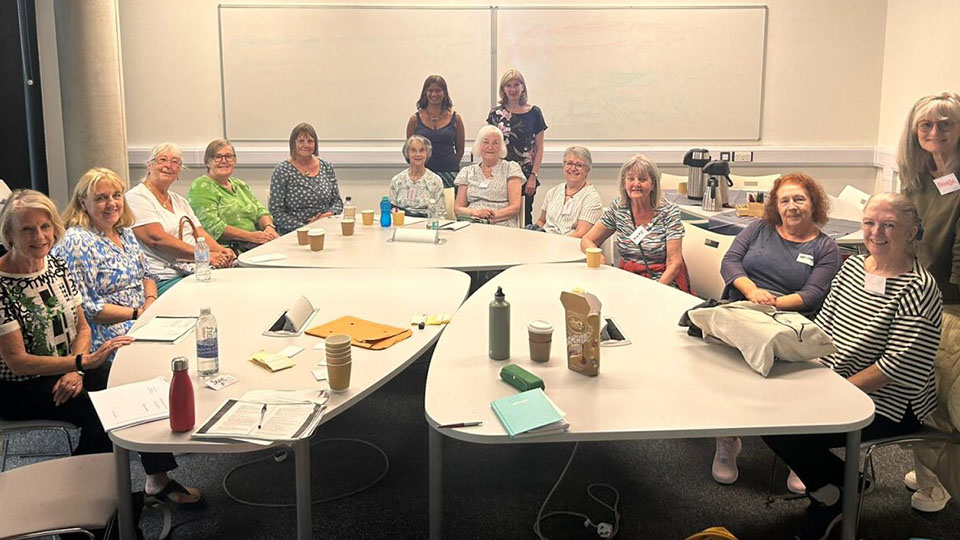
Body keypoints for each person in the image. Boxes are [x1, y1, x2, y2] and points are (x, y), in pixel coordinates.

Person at [0, 190, 202, 505]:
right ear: (9, 234)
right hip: (20, 386)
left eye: (45, 226)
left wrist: (77, 367)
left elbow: (82, 326)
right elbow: (18, 362)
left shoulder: (52, 264)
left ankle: (155, 480)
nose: (39, 236)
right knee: (103, 414)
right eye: (27, 229)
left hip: (70, 365)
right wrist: (80, 363)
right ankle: (83, 503)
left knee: (133, 385)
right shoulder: (2, 285)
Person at [763, 193, 942, 540]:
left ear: (912, 233)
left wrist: (827, 391)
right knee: (762, 406)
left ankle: (833, 495)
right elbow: (823, 328)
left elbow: (892, 369)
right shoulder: (852, 268)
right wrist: (799, 367)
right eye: (869, 223)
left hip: (889, 402)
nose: (876, 232)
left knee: (786, 423)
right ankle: (839, 487)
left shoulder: (919, 288)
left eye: (889, 225)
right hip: (834, 379)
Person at [711, 173, 842, 489]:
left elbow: (814, 293)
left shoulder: (826, 248)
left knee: (790, 383)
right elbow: (730, 262)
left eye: (799, 199)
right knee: (728, 371)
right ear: (775, 206)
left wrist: (773, 304)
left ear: (814, 204)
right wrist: (752, 292)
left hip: (790, 321)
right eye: (785, 200)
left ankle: (798, 453)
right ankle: (727, 439)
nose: (792, 207)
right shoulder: (759, 228)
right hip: (743, 307)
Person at [896, 91, 960, 511]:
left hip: (950, 306)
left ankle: (941, 485)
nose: (934, 132)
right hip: (918, 295)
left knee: (942, 397)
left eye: (946, 124)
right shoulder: (917, 181)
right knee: (916, 386)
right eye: (926, 125)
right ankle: (926, 471)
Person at [53, 167, 158, 362]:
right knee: (156, 358)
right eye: (101, 198)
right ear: (83, 203)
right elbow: (87, 307)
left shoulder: (124, 232)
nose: (111, 204)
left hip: (141, 317)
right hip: (106, 332)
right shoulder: (77, 241)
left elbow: (147, 275)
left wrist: (150, 302)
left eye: (116, 196)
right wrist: (137, 313)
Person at [127, 143, 235, 294]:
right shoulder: (136, 197)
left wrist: (222, 251)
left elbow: (200, 234)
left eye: (175, 162)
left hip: (193, 271)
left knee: (236, 283)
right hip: (162, 278)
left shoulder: (179, 201)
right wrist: (205, 256)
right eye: (162, 160)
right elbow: (156, 238)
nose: (168, 165)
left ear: (179, 171)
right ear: (149, 166)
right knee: (219, 292)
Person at [580, 154, 689, 290]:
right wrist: (600, 258)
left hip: (661, 281)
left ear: (653, 184)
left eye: (642, 179)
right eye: (631, 179)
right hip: (627, 278)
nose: (636, 184)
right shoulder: (618, 208)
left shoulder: (669, 212)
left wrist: (657, 289)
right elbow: (587, 240)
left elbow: (675, 262)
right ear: (624, 183)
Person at [187, 139, 278, 252]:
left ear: (234, 160)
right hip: (228, 250)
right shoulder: (201, 186)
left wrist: (269, 227)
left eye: (229, 156)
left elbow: (261, 211)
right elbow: (213, 227)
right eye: (218, 157)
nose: (224, 161)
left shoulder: (240, 185)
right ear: (208, 162)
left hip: (256, 244)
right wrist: (251, 236)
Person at [487, 69, 547, 227]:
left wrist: (533, 176)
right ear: (503, 89)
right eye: (508, 85)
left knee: (524, 218)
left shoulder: (534, 112)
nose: (513, 89)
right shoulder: (496, 114)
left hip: (526, 176)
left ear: (523, 87)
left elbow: (539, 148)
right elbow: (490, 145)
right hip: (500, 175)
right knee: (500, 216)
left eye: (516, 84)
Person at [269, 122, 343, 234]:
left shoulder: (326, 167)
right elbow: (277, 212)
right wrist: (306, 227)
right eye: (301, 141)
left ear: (315, 144)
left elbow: (337, 202)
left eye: (310, 141)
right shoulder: (282, 171)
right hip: (295, 232)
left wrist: (326, 216)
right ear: (293, 144)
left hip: (326, 228)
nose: (306, 145)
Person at [453, 125, 523, 227]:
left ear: (501, 147)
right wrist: (475, 213)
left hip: (502, 223)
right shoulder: (467, 172)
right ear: (479, 146)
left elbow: (515, 207)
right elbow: (458, 208)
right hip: (472, 222)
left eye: (495, 143)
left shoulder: (511, 168)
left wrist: (488, 218)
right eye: (486, 142)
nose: (490, 147)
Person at [406, 75, 465, 188]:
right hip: (422, 174)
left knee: (449, 205)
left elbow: (460, 150)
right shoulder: (415, 120)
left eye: (438, 90)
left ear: (444, 93)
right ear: (425, 93)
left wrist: (449, 165)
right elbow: (410, 150)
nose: (434, 94)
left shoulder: (456, 118)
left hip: (449, 173)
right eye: (430, 90)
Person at [532, 146, 603, 237]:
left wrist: (556, 244)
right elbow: (541, 221)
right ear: (563, 165)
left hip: (570, 246)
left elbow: (581, 233)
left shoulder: (592, 198)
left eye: (579, 165)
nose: (573, 168)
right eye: (569, 163)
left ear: (587, 170)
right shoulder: (553, 192)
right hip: (546, 242)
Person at [389, 135, 447, 219]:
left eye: (422, 150)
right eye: (413, 150)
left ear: (427, 153)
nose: (418, 154)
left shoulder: (435, 180)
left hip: (426, 225)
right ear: (407, 153)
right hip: (402, 224)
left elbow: (440, 213)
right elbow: (392, 211)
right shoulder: (397, 180)